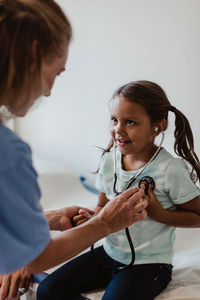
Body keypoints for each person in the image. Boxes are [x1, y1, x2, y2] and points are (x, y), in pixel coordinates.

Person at [0, 1, 148, 299]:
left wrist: (49, 220)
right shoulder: (9, 153)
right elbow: (38, 257)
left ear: (157, 126)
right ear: (32, 56)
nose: (49, 90)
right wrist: (105, 222)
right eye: (55, 72)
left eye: (131, 122)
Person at [37, 80, 200, 300]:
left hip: (149, 264)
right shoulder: (109, 161)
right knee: (47, 291)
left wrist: (160, 214)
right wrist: (91, 217)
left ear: (158, 125)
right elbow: (102, 206)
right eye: (114, 120)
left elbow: (198, 216)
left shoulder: (170, 169)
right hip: (109, 253)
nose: (118, 129)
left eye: (130, 122)